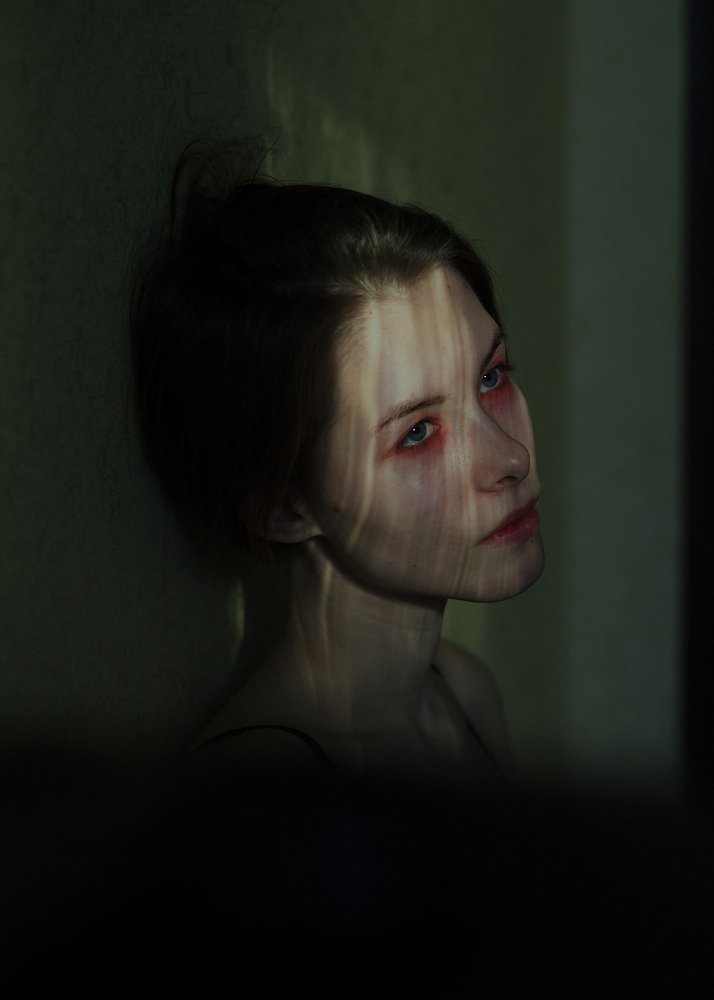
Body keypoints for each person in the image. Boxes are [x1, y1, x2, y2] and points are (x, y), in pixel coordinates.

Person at [130, 139, 544, 796]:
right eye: (417, 433)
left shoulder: (465, 694)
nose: (511, 458)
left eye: (490, 377)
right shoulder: (257, 800)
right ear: (286, 507)